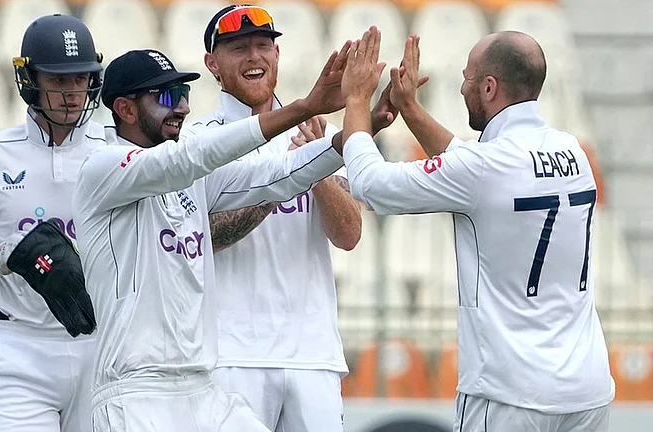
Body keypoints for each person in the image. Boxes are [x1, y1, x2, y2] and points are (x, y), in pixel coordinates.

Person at [337, 27, 615, 432]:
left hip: (511, 395)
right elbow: (473, 167)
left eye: (466, 79)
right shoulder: (573, 150)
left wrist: (356, 101)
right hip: (587, 390)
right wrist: (410, 109)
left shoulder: (483, 169)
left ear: (489, 87)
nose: (461, 89)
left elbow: (368, 183)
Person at [72, 44, 357, 431]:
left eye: (185, 95)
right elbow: (189, 159)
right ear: (125, 109)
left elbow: (279, 176)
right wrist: (302, 109)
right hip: (135, 392)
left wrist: (355, 130)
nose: (184, 108)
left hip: (202, 388)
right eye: (168, 97)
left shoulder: (189, 177)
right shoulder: (103, 168)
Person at [176, 5, 361, 430]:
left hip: (313, 354)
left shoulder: (313, 132)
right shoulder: (199, 142)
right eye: (238, 48)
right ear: (212, 64)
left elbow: (349, 234)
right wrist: (289, 177)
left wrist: (316, 173)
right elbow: (203, 239)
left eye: (263, 45)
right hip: (229, 355)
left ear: (277, 55)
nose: (254, 57)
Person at [0, 14, 105, 431]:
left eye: (80, 79)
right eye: (58, 80)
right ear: (29, 79)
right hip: (20, 350)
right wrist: (7, 256)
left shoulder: (115, 149)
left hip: (102, 351)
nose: (72, 93)